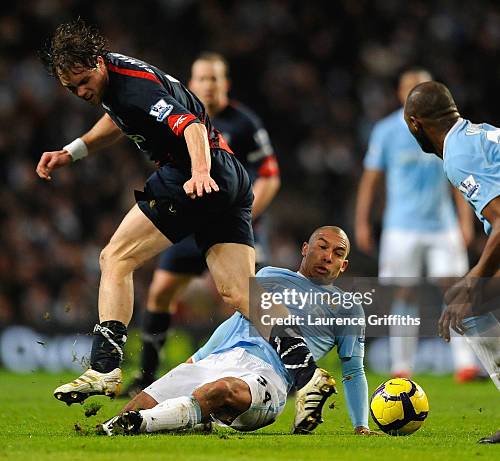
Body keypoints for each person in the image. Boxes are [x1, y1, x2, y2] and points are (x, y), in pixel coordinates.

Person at [36, 19, 333, 431]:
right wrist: (74, 151)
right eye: (72, 89)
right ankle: (308, 375)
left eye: (85, 82)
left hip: (193, 174)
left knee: (115, 257)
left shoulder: (134, 88)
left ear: (98, 63)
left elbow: (190, 125)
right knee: (238, 292)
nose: (82, 92)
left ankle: (105, 367)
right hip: (231, 179)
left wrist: (197, 172)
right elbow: (119, 120)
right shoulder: (114, 80)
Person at [100, 227, 377, 436]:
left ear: (344, 266)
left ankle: (145, 424)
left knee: (219, 390)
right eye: (322, 247)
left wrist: (361, 425)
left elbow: (353, 370)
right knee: (138, 404)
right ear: (305, 248)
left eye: (337, 254)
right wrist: (196, 360)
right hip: (222, 359)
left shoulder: (347, 308)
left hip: (269, 376)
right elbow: (234, 323)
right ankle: (160, 420)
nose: (327, 257)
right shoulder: (269, 276)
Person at [130, 52, 281, 394]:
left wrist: (247, 213)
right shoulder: (178, 117)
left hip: (231, 223)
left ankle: (275, 367)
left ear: (225, 83)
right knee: (161, 293)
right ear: (191, 83)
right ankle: (147, 375)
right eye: (202, 78)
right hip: (189, 222)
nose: (208, 86)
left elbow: (270, 176)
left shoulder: (245, 123)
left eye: (215, 78)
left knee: (241, 299)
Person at [355, 69, 478, 380]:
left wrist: (465, 221)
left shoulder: (444, 129)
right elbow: (371, 180)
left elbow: (457, 177)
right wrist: (363, 223)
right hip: (401, 228)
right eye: (409, 88)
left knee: (455, 290)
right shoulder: (386, 131)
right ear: (400, 94)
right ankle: (402, 366)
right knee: (403, 295)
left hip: (442, 226)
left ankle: (465, 364)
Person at [404, 80, 500, 444]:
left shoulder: (459, 155)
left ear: (416, 123)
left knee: (468, 301)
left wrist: (474, 280)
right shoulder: (481, 134)